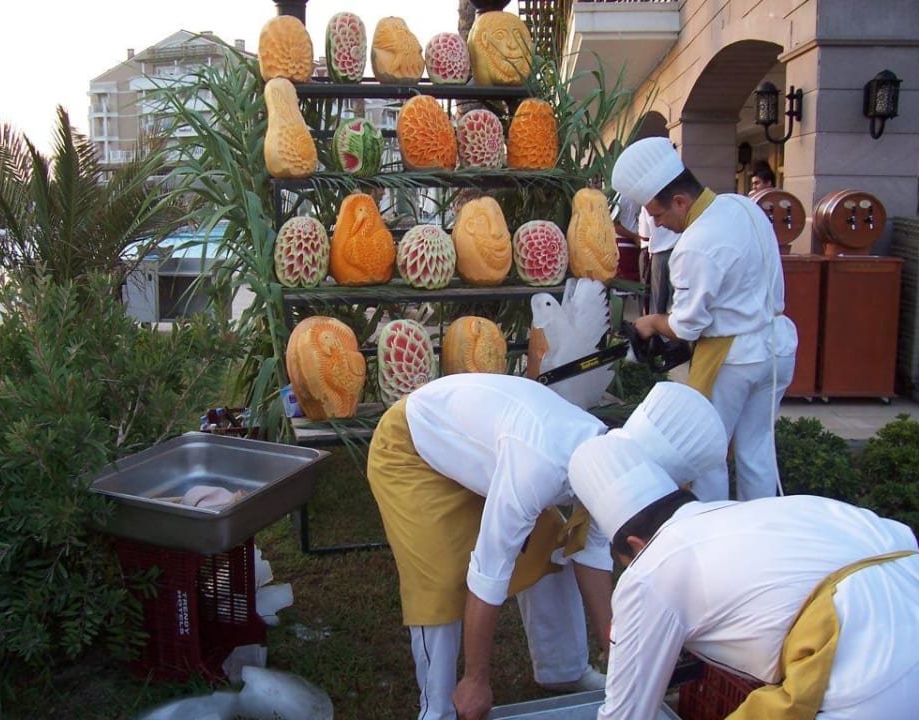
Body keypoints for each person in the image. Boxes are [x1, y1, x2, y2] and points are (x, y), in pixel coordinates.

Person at [365, 374, 726, 720]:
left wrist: (613, 647)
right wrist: (477, 678)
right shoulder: (538, 466)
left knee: (553, 546)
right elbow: (490, 570)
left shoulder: (606, 458)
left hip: (478, 451)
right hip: (411, 447)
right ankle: (438, 709)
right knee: (440, 581)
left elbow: (591, 549)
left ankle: (562, 670)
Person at [567, 432, 919, 720]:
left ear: (635, 545)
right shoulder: (745, 515)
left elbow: (625, 715)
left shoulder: (652, 570)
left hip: (870, 682)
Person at [611, 137, 798, 501]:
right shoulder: (742, 205)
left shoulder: (694, 244)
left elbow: (686, 326)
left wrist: (650, 323)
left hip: (734, 358)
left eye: (660, 216)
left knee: (706, 452)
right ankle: (759, 529)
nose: (660, 224)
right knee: (756, 451)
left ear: (680, 201)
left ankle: (710, 527)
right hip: (778, 346)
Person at [637, 205, 681, 315]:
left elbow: (644, 236)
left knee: (658, 301)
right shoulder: (679, 201)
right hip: (680, 252)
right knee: (677, 300)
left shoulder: (648, 202)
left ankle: (658, 329)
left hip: (659, 255)